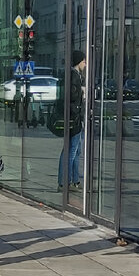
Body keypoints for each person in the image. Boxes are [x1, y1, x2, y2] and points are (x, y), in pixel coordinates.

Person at [58, 53, 86, 191]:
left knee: (76, 150)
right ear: (79, 62)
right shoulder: (73, 76)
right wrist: (82, 92)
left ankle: (74, 180)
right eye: (84, 61)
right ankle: (65, 182)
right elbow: (71, 96)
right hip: (73, 118)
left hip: (74, 117)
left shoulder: (74, 75)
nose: (85, 64)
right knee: (70, 151)